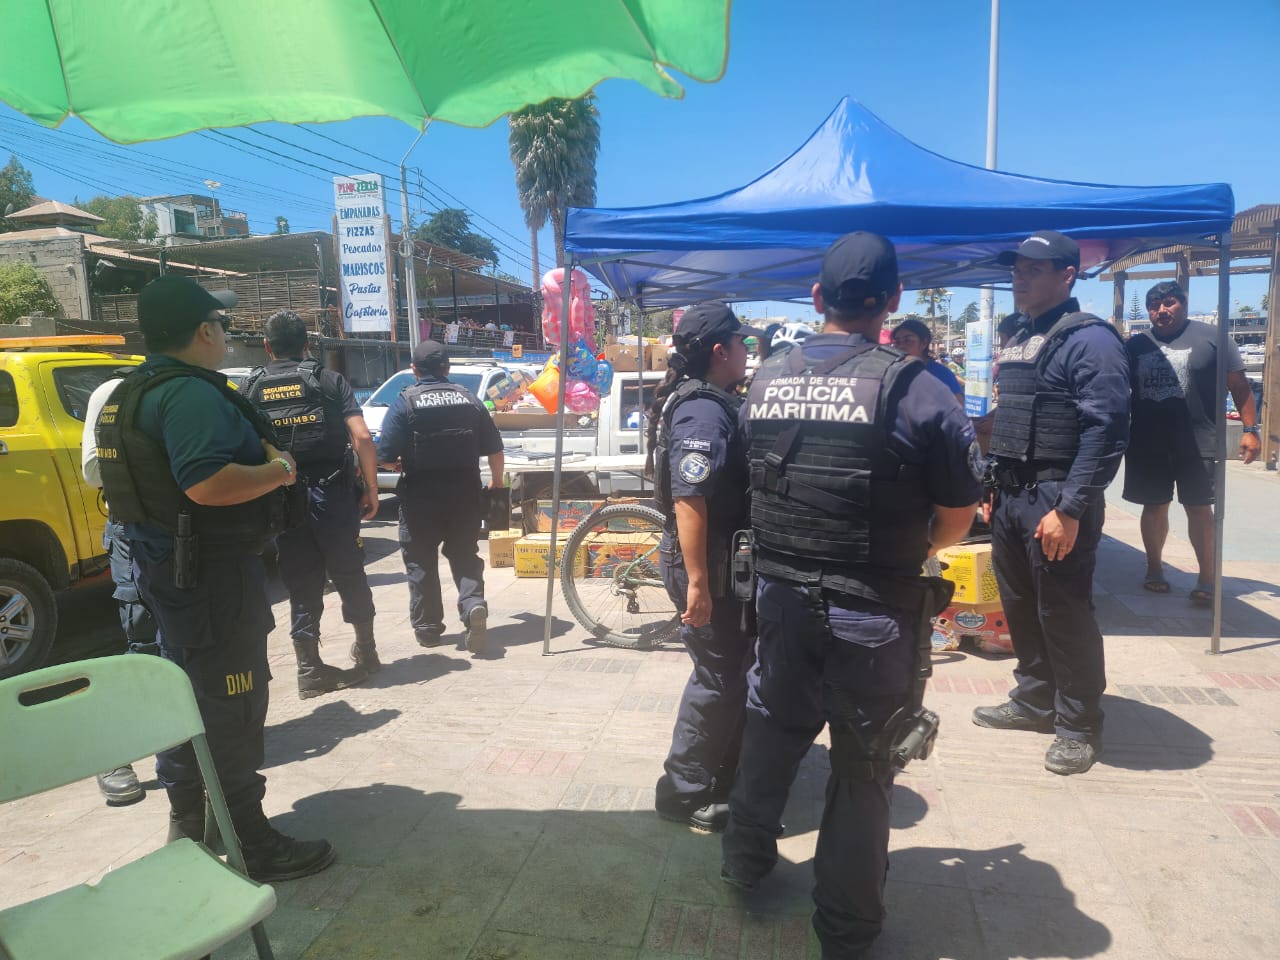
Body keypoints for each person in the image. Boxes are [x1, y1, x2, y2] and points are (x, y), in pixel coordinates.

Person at [722, 232, 982, 959]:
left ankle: (744, 862)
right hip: (871, 611)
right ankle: (845, 930)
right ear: (892, 300)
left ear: (817, 298)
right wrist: (913, 547)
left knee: (771, 731)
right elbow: (958, 513)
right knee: (865, 767)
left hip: (779, 598)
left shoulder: (765, 379)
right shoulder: (918, 387)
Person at [95, 274, 334, 881]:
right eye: (222, 324)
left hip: (166, 574)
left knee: (182, 700)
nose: (226, 333)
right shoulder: (189, 394)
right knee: (233, 704)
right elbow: (206, 483)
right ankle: (251, 842)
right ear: (204, 331)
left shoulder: (132, 391)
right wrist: (280, 470)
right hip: (213, 581)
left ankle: (188, 828)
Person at [973, 230, 1130, 777]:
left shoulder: (1091, 339)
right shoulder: (1021, 334)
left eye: (1033, 269)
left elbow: (1106, 430)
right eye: (1016, 268)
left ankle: (1079, 725)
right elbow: (1014, 417)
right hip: (1012, 494)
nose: (1019, 277)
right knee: (1019, 604)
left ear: (1067, 275)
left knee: (1063, 611)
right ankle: (1035, 699)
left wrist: (1070, 509)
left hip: (1056, 496)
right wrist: (991, 485)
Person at [647, 302, 761, 831]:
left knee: (731, 671)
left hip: (719, 559)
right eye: (741, 343)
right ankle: (683, 792)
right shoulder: (703, 411)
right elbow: (689, 499)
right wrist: (697, 582)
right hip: (705, 562)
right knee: (716, 677)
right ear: (720, 351)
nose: (747, 351)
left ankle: (721, 771)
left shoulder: (711, 399)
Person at [243, 311, 381, 694]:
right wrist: (371, 488)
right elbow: (362, 437)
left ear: (267, 346)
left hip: (282, 500)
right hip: (332, 495)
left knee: (301, 582)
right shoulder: (328, 380)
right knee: (349, 573)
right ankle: (367, 652)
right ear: (307, 345)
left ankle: (309, 669)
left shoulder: (250, 387)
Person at [1123, 280, 1259, 605]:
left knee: (1199, 509)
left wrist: (1250, 430)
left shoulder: (1214, 338)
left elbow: (1240, 387)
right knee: (1154, 505)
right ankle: (1155, 569)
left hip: (1199, 442)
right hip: (1148, 442)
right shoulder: (1135, 345)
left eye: (1169, 303)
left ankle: (1206, 578)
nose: (1161, 310)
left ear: (1183, 303)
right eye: (1154, 306)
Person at [376, 339, 504, 653]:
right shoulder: (469, 400)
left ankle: (429, 629)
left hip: (420, 499)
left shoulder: (405, 402)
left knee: (420, 562)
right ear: (446, 368)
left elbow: (384, 455)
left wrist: (395, 463)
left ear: (414, 370)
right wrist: (497, 482)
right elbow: (495, 448)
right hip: (465, 496)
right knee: (464, 555)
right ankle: (473, 605)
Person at [82, 374, 159, 806]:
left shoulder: (198, 389)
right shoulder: (113, 392)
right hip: (136, 532)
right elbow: (93, 471)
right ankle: (114, 753)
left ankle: (187, 740)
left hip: (195, 535)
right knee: (144, 643)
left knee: (192, 642)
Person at [890, 317, 964, 403]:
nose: (901, 346)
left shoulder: (941, 373)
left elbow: (959, 405)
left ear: (924, 343)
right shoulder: (893, 372)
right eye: (897, 342)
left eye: (908, 340)